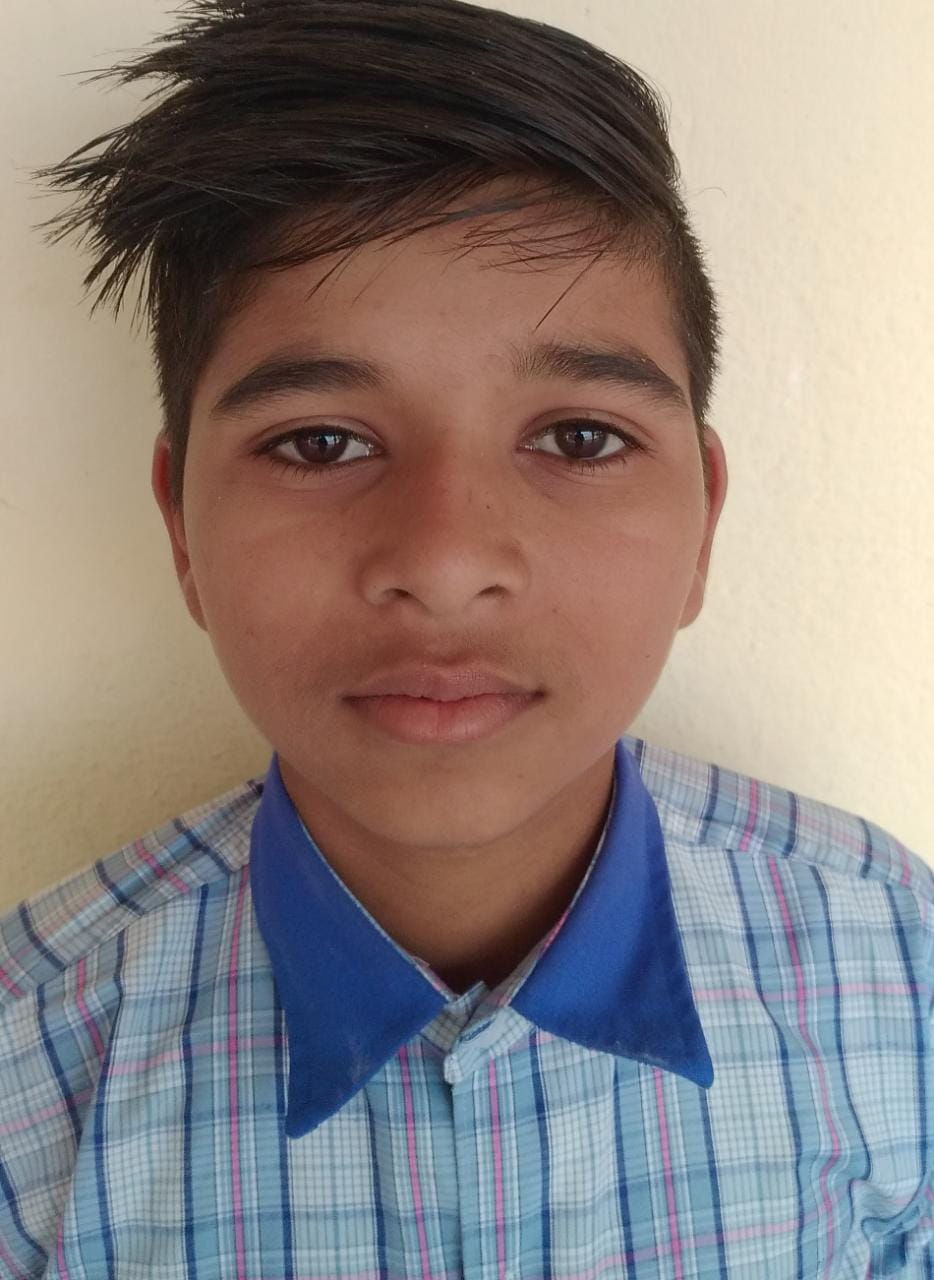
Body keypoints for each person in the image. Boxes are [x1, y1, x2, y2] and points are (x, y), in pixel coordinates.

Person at [1, 0, 930, 1274]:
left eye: (579, 437)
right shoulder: (29, 1075)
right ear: (181, 527)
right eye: (319, 442)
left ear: (704, 521)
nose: (443, 563)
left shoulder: (897, 966)